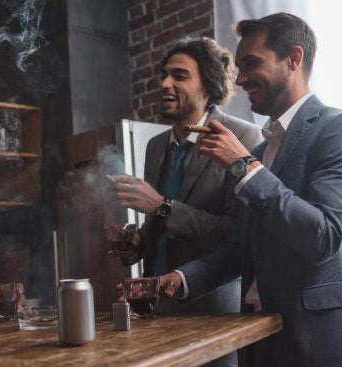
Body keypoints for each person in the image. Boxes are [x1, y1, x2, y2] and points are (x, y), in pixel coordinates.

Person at [159, 13, 342, 366]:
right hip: (258, 341)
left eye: (251, 64)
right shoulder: (263, 151)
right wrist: (182, 279)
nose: (242, 78)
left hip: (315, 340)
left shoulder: (340, 128)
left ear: (294, 58)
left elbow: (324, 235)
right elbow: (241, 247)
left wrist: (244, 167)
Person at [105, 37, 261, 367]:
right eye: (164, 75)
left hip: (211, 317)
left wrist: (162, 205)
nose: (164, 83)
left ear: (209, 84)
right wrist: (133, 245)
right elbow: (159, 229)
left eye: (179, 75)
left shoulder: (244, 138)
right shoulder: (156, 145)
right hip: (154, 315)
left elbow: (234, 236)